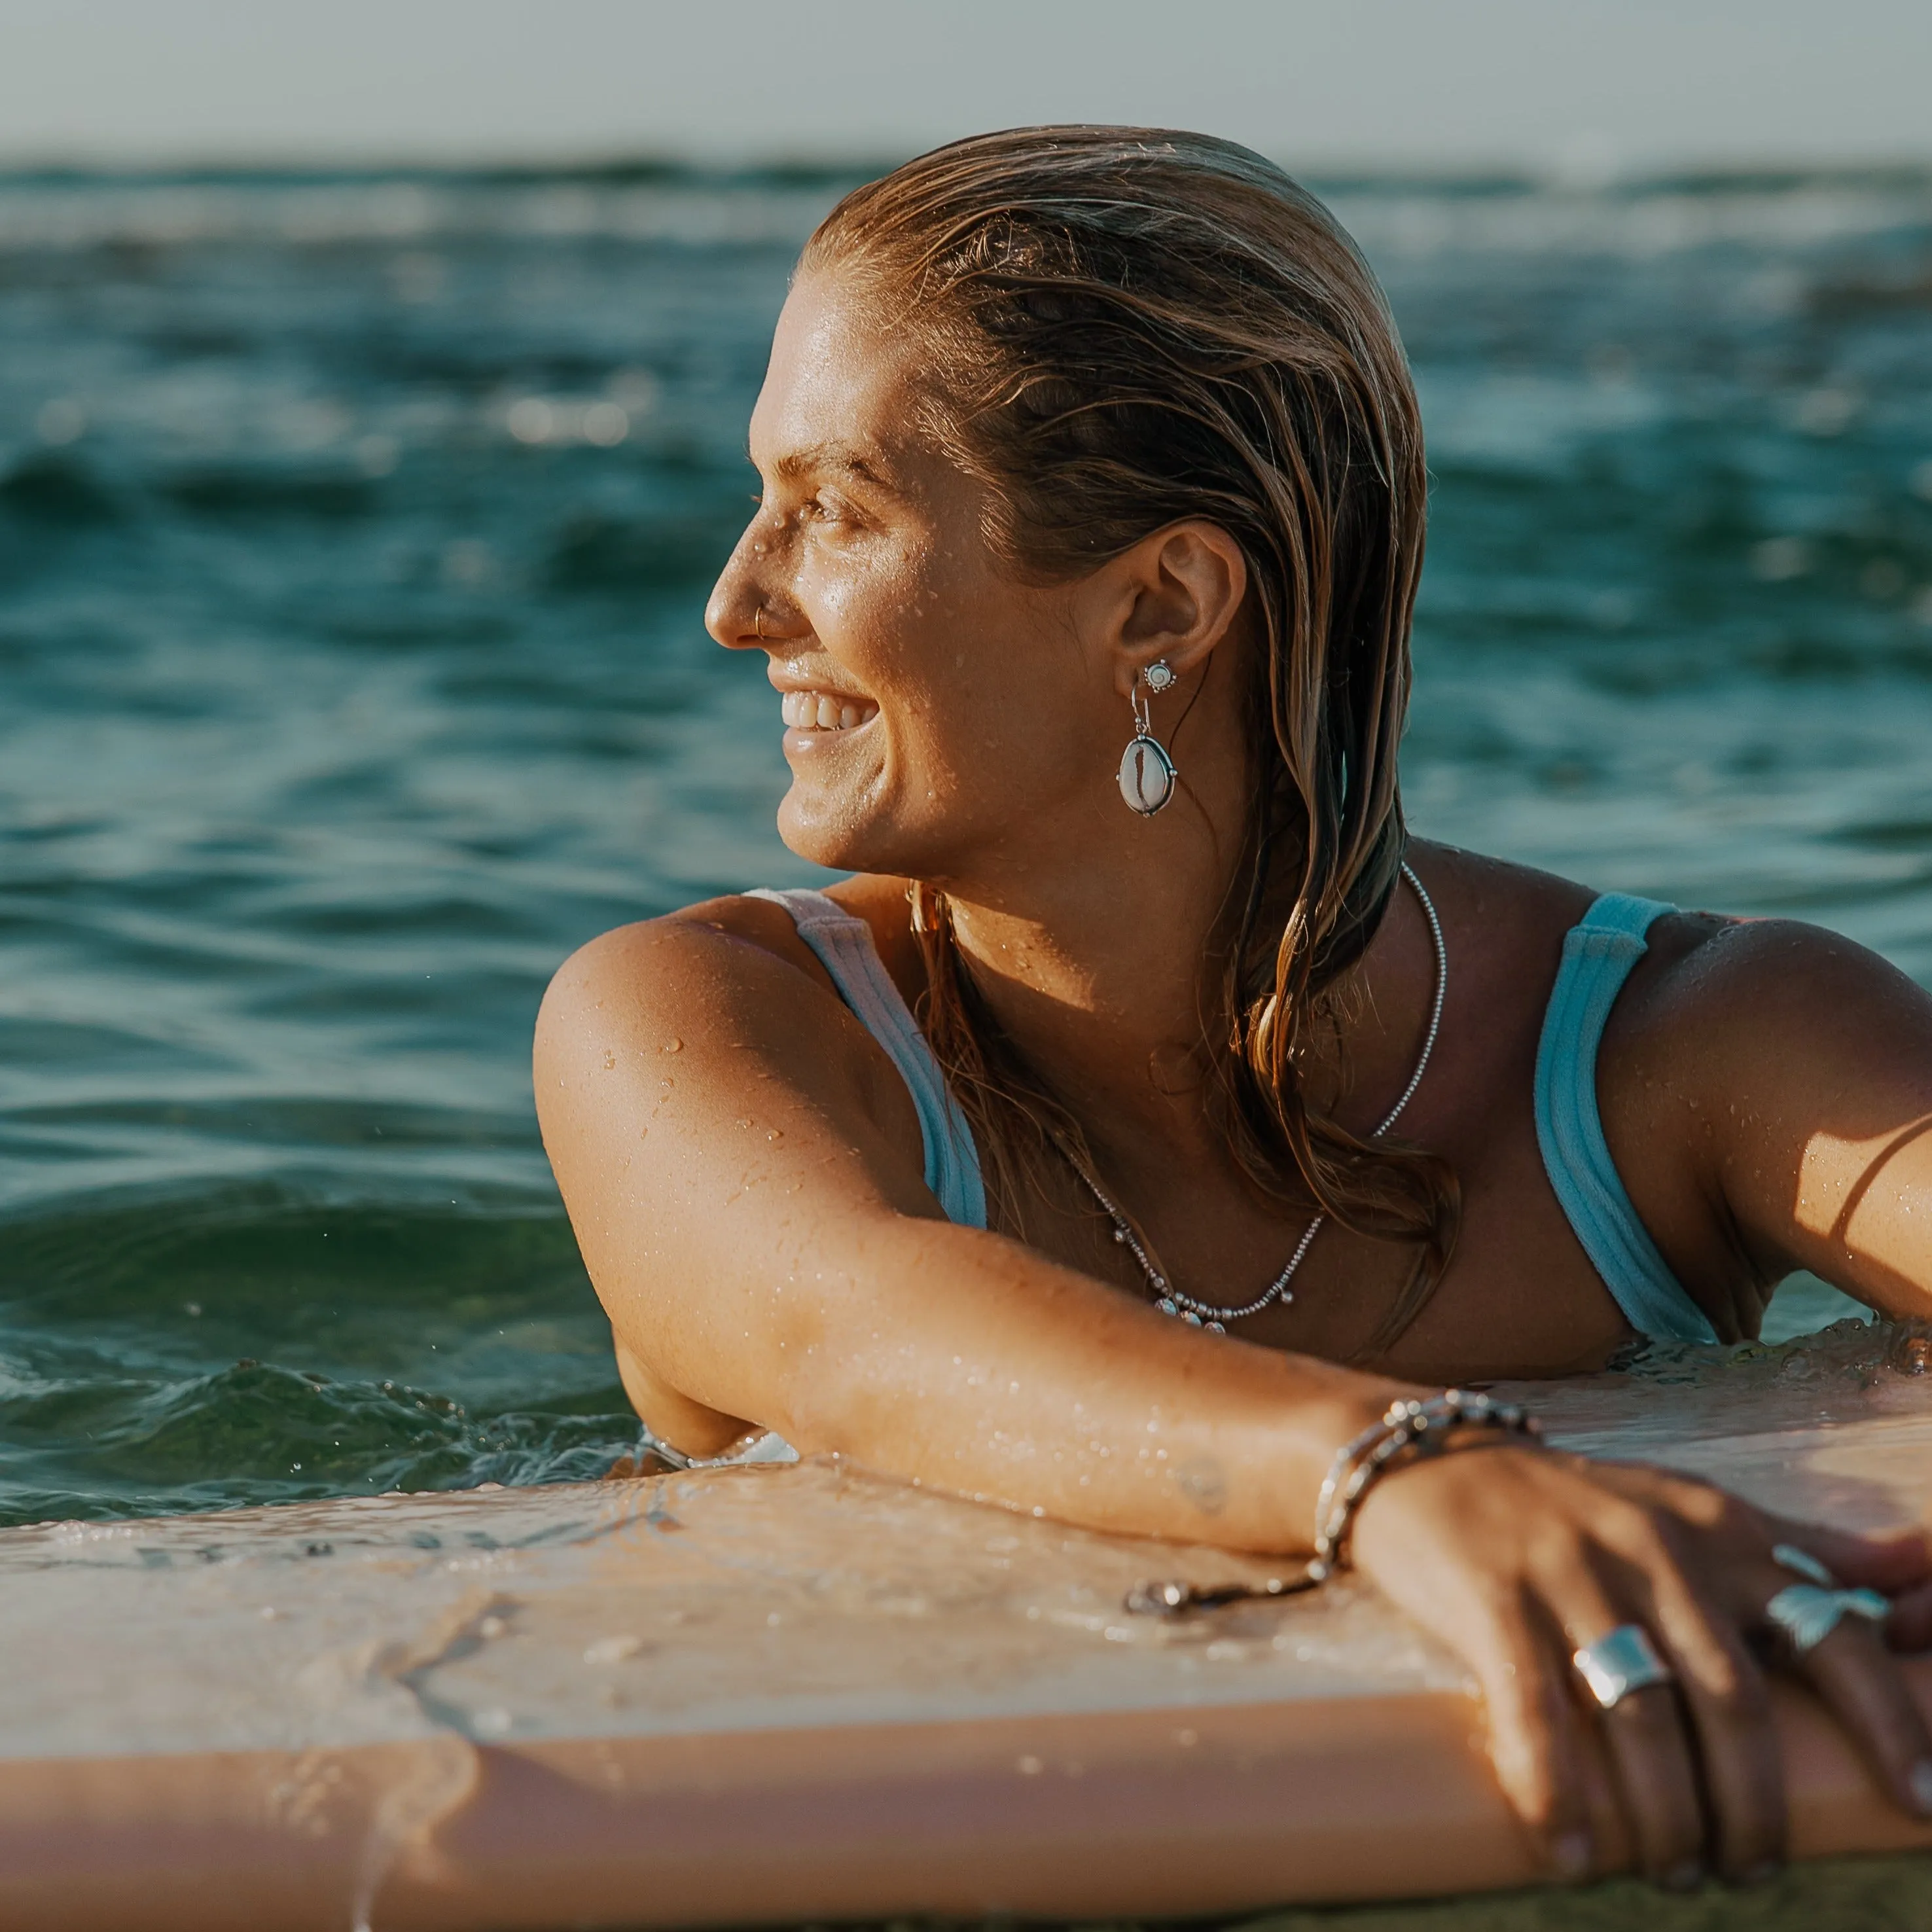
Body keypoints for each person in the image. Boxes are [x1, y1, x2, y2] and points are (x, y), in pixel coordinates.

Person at [534, 127, 1932, 1889]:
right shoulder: (695, 1024)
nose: (738, 603)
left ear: (1160, 603)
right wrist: (1404, 1477)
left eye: (836, 510)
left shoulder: (1691, 1047)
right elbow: (848, 1335)